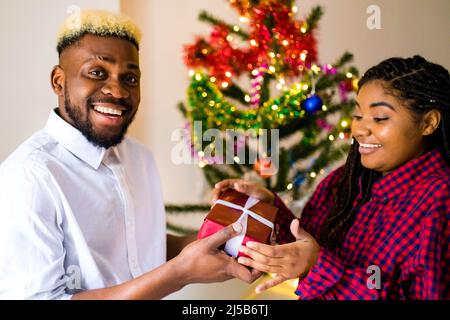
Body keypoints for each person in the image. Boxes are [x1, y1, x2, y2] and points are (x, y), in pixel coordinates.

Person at [0, 10, 264, 299]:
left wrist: (228, 240)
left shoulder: (139, 157)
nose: (117, 90)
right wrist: (181, 273)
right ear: (59, 81)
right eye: (97, 72)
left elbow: (138, 251)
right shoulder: (28, 177)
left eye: (130, 78)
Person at [213, 55, 450, 299]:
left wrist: (318, 267)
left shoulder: (440, 201)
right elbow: (309, 244)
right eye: (358, 116)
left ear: (428, 123)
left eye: (380, 118)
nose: (359, 129)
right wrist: (269, 206)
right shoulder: (345, 181)